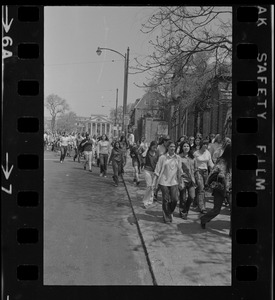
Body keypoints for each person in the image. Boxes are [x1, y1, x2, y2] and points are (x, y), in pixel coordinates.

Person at [200, 143, 232, 234]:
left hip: (230, 189)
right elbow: (213, 173)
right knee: (216, 210)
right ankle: (204, 219)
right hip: (220, 188)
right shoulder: (222, 161)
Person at [153, 141, 183, 223]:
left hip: (174, 181)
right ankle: (166, 216)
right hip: (164, 181)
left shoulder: (178, 158)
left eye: (174, 146)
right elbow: (157, 169)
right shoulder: (162, 157)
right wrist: (154, 182)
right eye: (171, 146)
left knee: (175, 199)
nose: (172, 148)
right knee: (165, 199)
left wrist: (181, 181)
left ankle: (169, 211)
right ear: (167, 148)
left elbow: (180, 171)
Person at [193, 139, 214, 214]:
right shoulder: (196, 153)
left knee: (202, 188)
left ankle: (195, 201)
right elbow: (194, 164)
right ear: (201, 145)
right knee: (201, 189)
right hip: (198, 171)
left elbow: (210, 162)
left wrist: (213, 169)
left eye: (207, 144)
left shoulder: (207, 153)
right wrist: (195, 172)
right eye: (204, 144)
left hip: (205, 171)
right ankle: (202, 207)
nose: (206, 146)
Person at [178, 142, 196, 219]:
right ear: (182, 147)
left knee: (192, 197)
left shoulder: (193, 157)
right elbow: (178, 168)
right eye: (184, 146)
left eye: (187, 146)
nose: (186, 147)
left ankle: (185, 210)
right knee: (183, 198)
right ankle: (183, 212)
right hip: (183, 180)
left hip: (191, 180)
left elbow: (196, 168)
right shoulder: (179, 157)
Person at [142, 141, 159, 208]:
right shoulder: (147, 152)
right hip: (147, 170)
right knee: (149, 186)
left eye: (156, 147)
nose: (155, 148)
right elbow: (142, 155)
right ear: (151, 146)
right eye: (153, 147)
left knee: (153, 186)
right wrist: (146, 150)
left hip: (154, 171)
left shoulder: (157, 154)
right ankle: (145, 201)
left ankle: (150, 200)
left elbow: (158, 162)